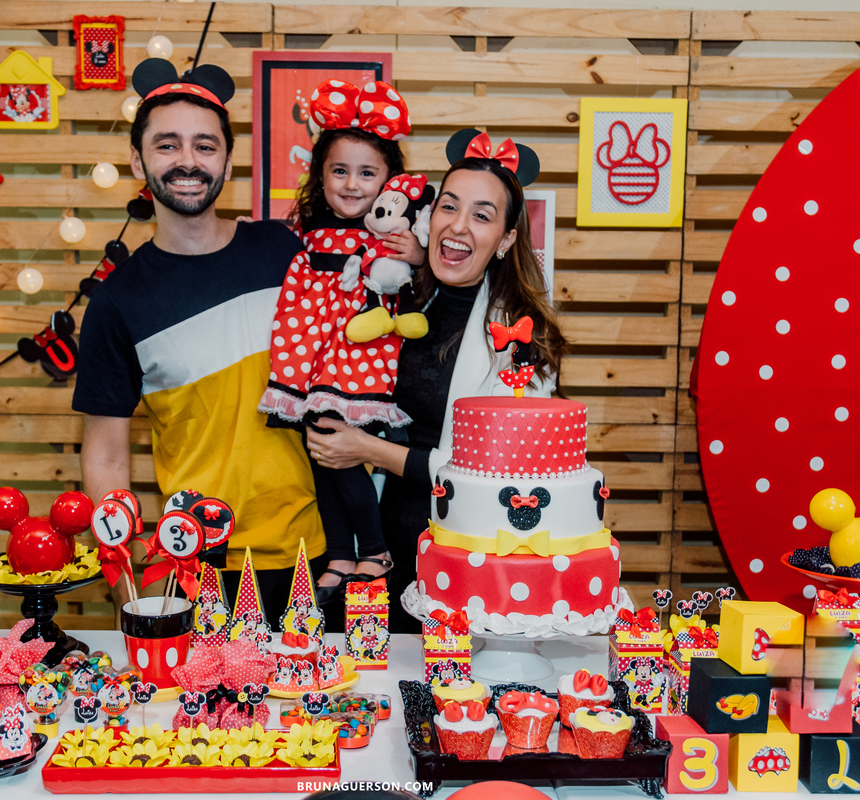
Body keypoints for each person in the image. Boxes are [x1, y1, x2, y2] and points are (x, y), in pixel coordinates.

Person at [73, 61, 324, 626]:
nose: (188, 161)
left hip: (313, 549)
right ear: (138, 161)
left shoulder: (284, 253)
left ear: (227, 161)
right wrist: (130, 584)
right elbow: (107, 455)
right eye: (168, 144)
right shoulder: (118, 302)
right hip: (192, 562)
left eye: (205, 145)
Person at [306, 130, 567, 631]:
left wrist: (366, 449)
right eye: (449, 206)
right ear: (429, 216)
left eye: (482, 216)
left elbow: (498, 475)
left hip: (460, 562)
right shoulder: (397, 294)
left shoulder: (519, 336)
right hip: (372, 549)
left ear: (507, 239)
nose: (458, 226)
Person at [257, 79, 425, 605]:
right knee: (319, 453)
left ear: (390, 181)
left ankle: (373, 550)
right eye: (339, 171)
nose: (352, 184)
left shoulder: (390, 235)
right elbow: (299, 296)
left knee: (340, 451)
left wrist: (416, 257)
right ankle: (340, 553)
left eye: (367, 173)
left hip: (362, 358)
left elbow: (415, 286)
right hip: (314, 357)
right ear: (320, 175)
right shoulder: (310, 233)